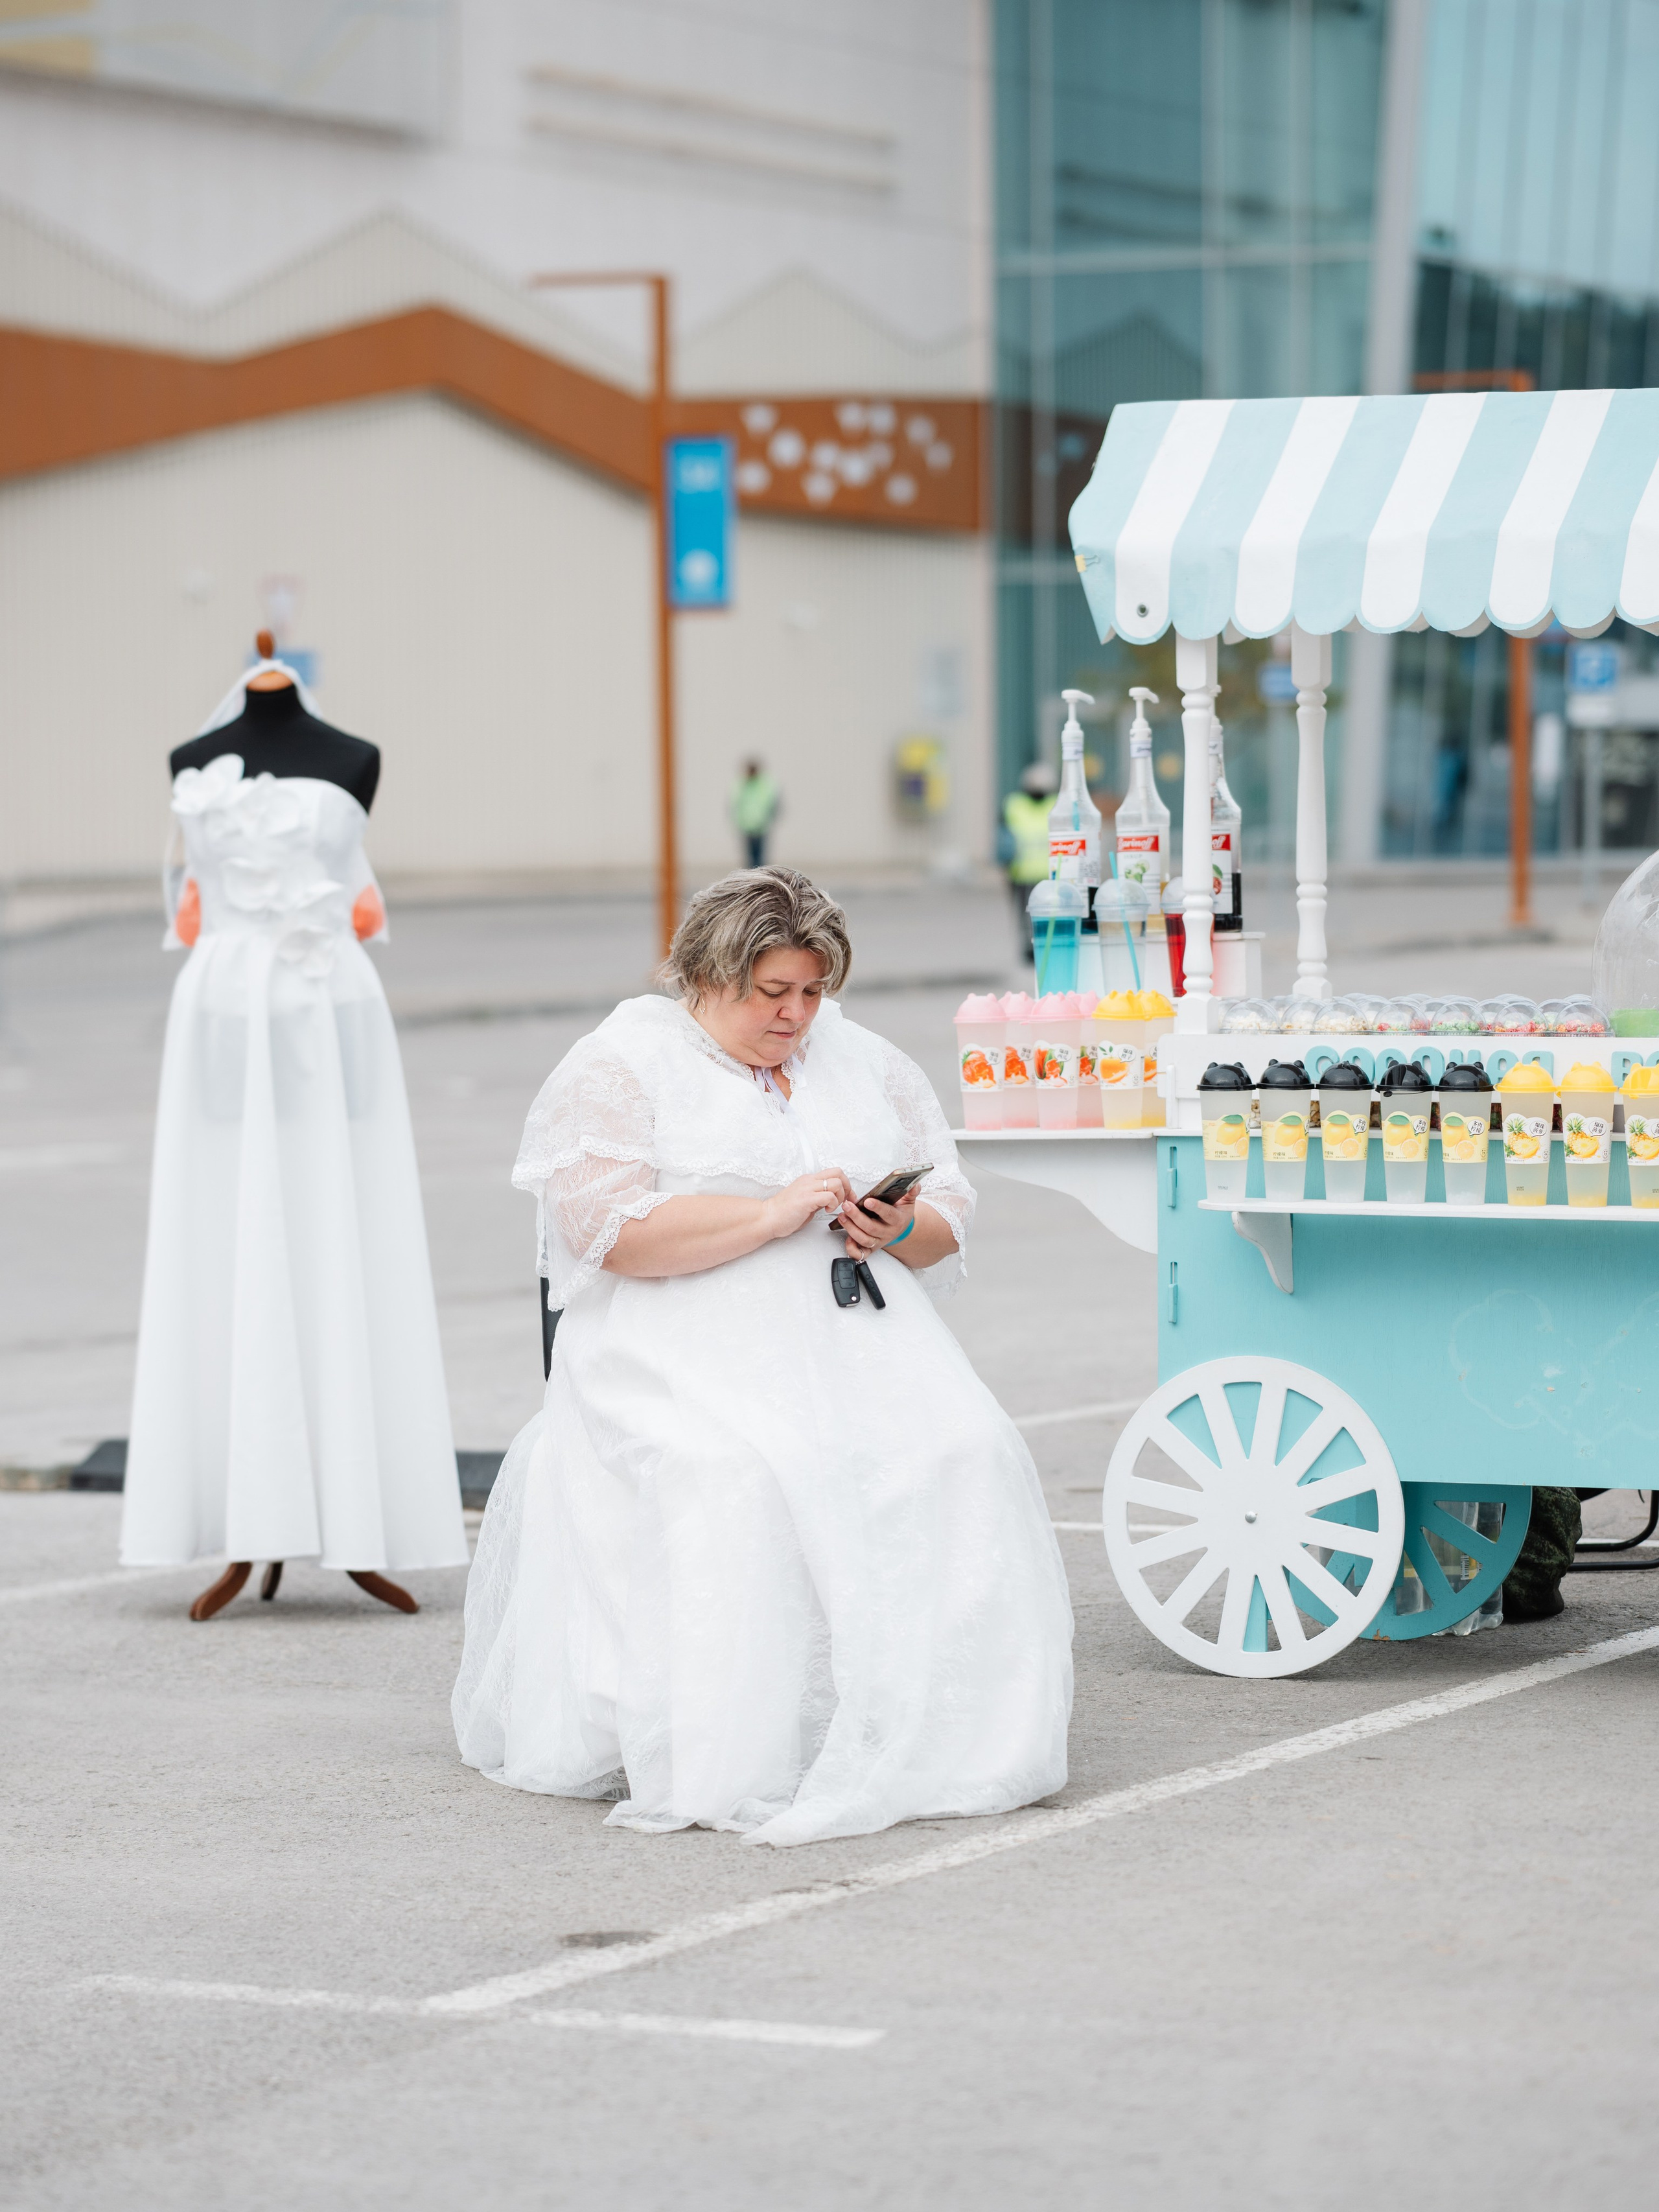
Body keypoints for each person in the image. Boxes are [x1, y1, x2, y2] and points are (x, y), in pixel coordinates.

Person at [453, 866, 1073, 1846]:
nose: (796, 1016)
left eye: (812, 991)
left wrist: (896, 1227)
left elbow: (949, 1210)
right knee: (736, 1477)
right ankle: (736, 1744)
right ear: (705, 975)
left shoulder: (860, 1057)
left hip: (855, 1337)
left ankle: (942, 1730)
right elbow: (610, 1233)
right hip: (672, 1344)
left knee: (966, 1447)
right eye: (771, 993)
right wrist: (767, 1213)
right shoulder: (619, 1063)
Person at [120, 646, 469, 1618]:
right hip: (224, 1010)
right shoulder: (191, 755)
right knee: (228, 1239)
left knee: (335, 1231)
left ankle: (352, 1509)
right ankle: (248, 1509)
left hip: (327, 1005)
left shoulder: (356, 755)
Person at [1001, 760, 1057, 956]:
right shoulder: (1015, 805)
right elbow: (1004, 839)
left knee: (1045, 916)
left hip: (1045, 874)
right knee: (1026, 917)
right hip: (1024, 873)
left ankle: (1042, 947)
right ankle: (1030, 949)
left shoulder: (1016, 805)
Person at [730, 758, 780, 867]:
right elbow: (735, 804)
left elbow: (772, 803)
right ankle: (751, 878)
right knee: (750, 857)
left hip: (761, 826)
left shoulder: (764, 785)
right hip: (747, 826)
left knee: (760, 857)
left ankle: (760, 878)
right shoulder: (742, 784)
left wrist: (769, 819)